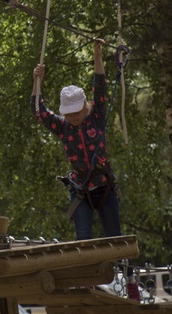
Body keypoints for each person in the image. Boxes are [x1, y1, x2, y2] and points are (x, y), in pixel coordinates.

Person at [31, 39, 121, 239]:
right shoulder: (63, 127)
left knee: (115, 236)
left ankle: (124, 269)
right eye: (69, 114)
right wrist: (37, 82)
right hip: (80, 187)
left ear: (85, 107)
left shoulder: (96, 117)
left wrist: (97, 56)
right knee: (83, 237)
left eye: (77, 112)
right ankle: (88, 270)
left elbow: (100, 87)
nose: (73, 117)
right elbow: (39, 111)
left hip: (104, 184)